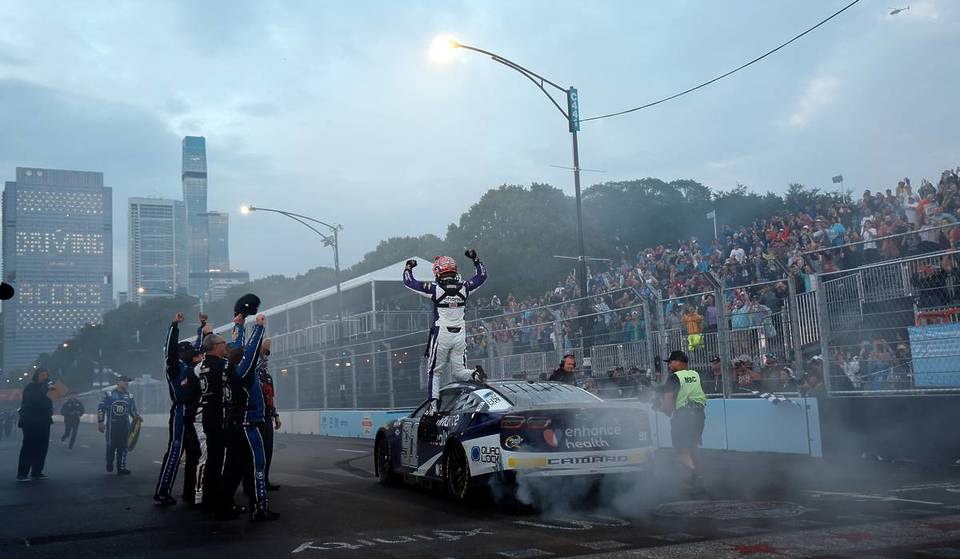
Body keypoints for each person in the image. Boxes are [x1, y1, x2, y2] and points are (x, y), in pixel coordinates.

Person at [403, 249, 487, 407]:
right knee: (459, 372)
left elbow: (409, 282)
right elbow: (482, 276)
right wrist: (476, 259)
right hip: (460, 334)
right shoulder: (465, 287)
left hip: (441, 333)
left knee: (434, 372)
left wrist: (408, 267)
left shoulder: (434, 288)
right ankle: (475, 375)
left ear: (437, 271)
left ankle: (433, 408)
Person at [218, 313, 278, 521]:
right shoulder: (242, 372)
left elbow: (237, 346)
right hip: (247, 424)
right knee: (257, 464)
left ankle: (224, 505)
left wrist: (238, 325)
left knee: (233, 468)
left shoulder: (228, 367)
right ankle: (259, 508)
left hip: (233, 424)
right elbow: (250, 351)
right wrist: (258, 328)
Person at [153, 312, 205, 506]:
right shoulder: (175, 367)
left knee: (194, 452)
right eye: (189, 351)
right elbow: (169, 351)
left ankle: (189, 490)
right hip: (180, 411)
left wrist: (202, 327)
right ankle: (162, 491)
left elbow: (201, 347)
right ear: (181, 352)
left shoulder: (189, 367)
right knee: (176, 449)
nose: (194, 354)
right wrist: (174, 326)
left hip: (192, 411)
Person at [655, 350, 707, 494]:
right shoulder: (695, 374)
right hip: (699, 415)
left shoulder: (674, 377)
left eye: (671, 362)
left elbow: (669, 401)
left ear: (678, 362)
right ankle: (700, 479)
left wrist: (663, 409)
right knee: (694, 448)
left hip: (683, 415)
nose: (670, 365)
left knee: (682, 451)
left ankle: (690, 482)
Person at [197, 331, 229, 511]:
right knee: (219, 459)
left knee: (213, 459)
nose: (225, 345)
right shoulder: (221, 365)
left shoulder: (203, 365)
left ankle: (209, 496)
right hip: (219, 415)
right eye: (223, 342)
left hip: (208, 414)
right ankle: (218, 499)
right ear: (216, 346)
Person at [97, 375, 140, 475]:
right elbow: (101, 409)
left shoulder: (130, 396)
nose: (126, 383)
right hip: (112, 426)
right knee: (111, 446)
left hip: (125, 426)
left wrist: (137, 418)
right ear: (118, 382)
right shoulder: (109, 394)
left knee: (124, 446)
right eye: (124, 381)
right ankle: (109, 462)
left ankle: (121, 468)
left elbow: (132, 410)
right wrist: (100, 422)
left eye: (127, 381)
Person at [17, 368, 54, 481]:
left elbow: (51, 399)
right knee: (29, 447)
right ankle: (22, 474)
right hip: (30, 421)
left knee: (42, 447)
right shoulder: (31, 387)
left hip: (44, 421)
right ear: (37, 376)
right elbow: (34, 400)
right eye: (42, 375)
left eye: (46, 375)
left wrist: (51, 407)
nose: (44, 377)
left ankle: (37, 471)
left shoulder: (47, 388)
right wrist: (45, 388)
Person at [257, 339, 282, 491]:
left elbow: (270, 398)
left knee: (267, 450)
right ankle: (254, 483)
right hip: (256, 418)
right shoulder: (253, 374)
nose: (266, 358)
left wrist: (276, 415)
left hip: (267, 417)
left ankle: (264, 480)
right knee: (257, 452)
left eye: (267, 356)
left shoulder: (268, 377)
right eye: (263, 355)